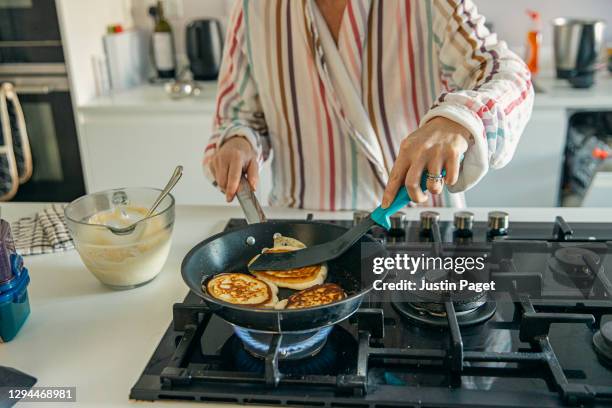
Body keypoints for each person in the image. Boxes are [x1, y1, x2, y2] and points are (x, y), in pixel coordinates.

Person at [204, 0, 534, 210]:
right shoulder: (252, 9)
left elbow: (508, 73)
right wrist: (238, 141)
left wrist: (459, 119)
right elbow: (239, 114)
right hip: (302, 228)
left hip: (419, 224)